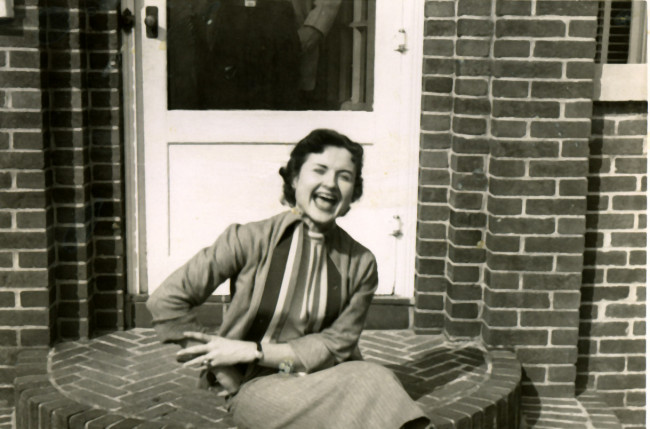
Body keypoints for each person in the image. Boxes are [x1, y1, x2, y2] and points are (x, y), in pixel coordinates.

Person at [147, 129, 430, 429]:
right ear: (294, 179)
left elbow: (337, 346)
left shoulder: (361, 264)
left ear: (352, 195)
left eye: (344, 176)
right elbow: (167, 300)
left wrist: (252, 350)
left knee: (375, 377)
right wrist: (223, 368)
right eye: (319, 170)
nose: (330, 184)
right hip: (261, 385)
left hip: (328, 377)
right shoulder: (248, 239)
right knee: (371, 391)